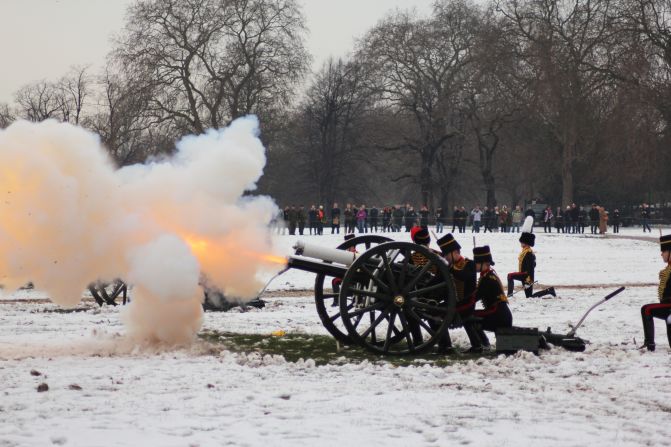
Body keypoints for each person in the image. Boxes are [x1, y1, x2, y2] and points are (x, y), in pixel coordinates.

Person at [438, 233, 484, 353]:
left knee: (436, 316)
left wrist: (450, 268)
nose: (446, 258)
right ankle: (445, 345)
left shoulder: (469, 264)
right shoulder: (449, 266)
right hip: (454, 303)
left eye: (447, 255)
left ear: (454, 252)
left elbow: (464, 276)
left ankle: (446, 346)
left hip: (466, 304)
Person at [472, 245, 513, 345]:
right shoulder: (489, 275)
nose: (475, 265)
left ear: (484, 263)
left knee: (470, 318)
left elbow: (474, 297)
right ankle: (484, 343)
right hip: (500, 314)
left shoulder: (487, 279)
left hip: (499, 316)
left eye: (477, 263)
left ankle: (482, 344)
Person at [507, 217, 556, 299]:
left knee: (510, 276)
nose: (520, 243)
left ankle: (509, 295)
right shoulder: (525, 251)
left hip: (527, 276)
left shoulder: (529, 253)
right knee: (529, 296)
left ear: (525, 243)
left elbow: (531, 269)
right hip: (524, 275)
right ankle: (549, 291)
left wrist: (528, 281)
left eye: (522, 242)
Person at [639, 234, 671, 351]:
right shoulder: (668, 269)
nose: (661, 254)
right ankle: (649, 343)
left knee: (646, 309)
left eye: (664, 251)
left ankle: (650, 344)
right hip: (667, 305)